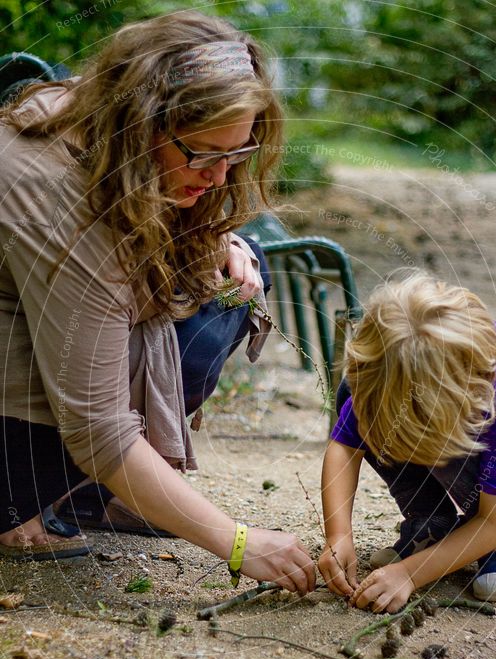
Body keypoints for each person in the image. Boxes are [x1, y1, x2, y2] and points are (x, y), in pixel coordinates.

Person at [0, 11, 315, 595]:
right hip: (12, 433)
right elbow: (97, 427)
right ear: (142, 124)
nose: (220, 176)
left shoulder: (93, 119)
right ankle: (23, 509)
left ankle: (99, 495)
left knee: (232, 283)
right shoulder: (60, 214)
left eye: (236, 153)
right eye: (202, 153)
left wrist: (218, 235)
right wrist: (237, 541)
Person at [318, 270, 496, 612]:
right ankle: (431, 521)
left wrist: (409, 574)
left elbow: (495, 521)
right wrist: (338, 535)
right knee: (357, 398)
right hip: (471, 450)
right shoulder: (389, 371)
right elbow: (344, 447)